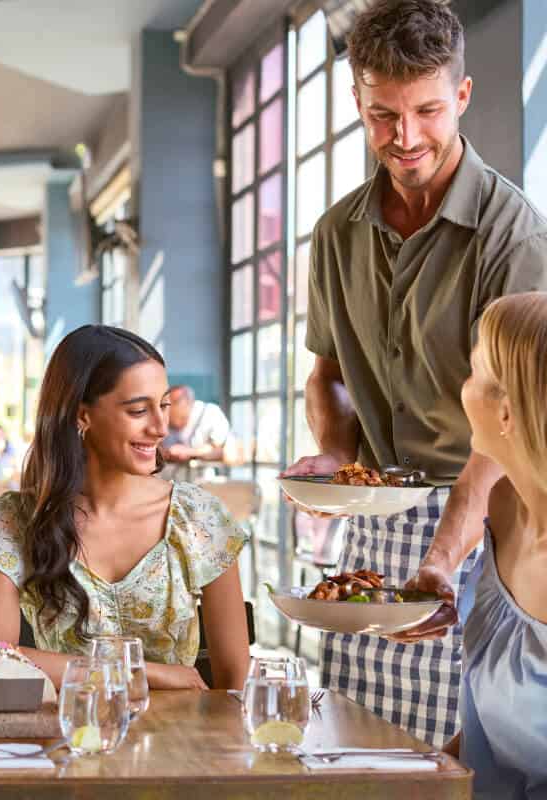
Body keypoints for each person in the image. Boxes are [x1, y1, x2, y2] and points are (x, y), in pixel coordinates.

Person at [282, 0, 547, 746]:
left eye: (427, 111)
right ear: (358, 103)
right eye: (382, 115)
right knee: (352, 741)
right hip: (374, 524)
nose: (405, 139)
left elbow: (510, 427)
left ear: (461, 97)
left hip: (482, 523)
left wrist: (441, 558)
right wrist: (336, 456)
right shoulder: (336, 232)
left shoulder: (514, 235)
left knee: (451, 759)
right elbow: (329, 371)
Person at [0, 325, 250, 691]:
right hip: (66, 741)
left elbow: (234, 688)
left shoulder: (199, 518)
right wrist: (141, 672)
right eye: (139, 410)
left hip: (184, 744)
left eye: (163, 406)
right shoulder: (13, 520)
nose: (160, 427)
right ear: (82, 416)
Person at [447, 292, 547, 798]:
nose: (459, 389)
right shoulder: (505, 506)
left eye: (472, 371)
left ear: (506, 411)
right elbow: (496, 715)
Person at [161, 385, 231, 481]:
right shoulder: (161, 416)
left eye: (174, 403)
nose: (168, 410)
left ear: (189, 403)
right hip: (166, 481)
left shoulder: (210, 414)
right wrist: (167, 453)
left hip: (203, 482)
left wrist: (189, 452)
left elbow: (224, 452)